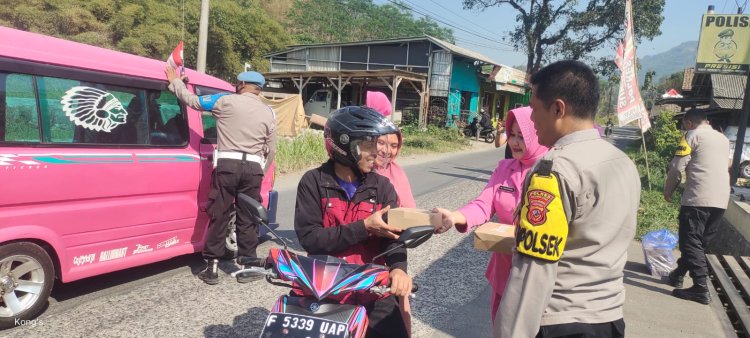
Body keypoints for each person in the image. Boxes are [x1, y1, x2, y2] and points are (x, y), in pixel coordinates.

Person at [495, 60, 640, 338]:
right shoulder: (623, 163)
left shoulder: (554, 170)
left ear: (558, 109)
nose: (532, 120)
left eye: (535, 109)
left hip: (562, 320)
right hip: (609, 317)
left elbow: (534, 267)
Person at [294, 106, 412, 338]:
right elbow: (310, 239)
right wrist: (364, 227)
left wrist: (398, 270)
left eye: (377, 145)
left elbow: (395, 239)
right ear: (344, 145)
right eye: (368, 145)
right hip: (325, 289)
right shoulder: (313, 182)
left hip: (372, 289)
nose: (377, 153)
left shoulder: (382, 187)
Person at [432, 106, 548, 323]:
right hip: (504, 268)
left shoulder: (554, 172)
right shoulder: (505, 168)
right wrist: (456, 216)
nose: (514, 142)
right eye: (512, 135)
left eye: (522, 137)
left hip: (537, 272)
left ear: (537, 135)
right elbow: (483, 204)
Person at [165, 65, 276, 285]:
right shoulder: (269, 112)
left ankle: (212, 268)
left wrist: (176, 82)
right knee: (248, 216)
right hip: (253, 168)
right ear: (259, 89)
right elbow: (271, 149)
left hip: (227, 166)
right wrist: (261, 171)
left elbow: (193, 102)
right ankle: (248, 265)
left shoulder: (225, 101)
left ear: (242, 85)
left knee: (220, 213)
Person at [663, 108, 730, 305]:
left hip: (698, 198)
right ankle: (678, 275)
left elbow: (676, 167)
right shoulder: (723, 138)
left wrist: (669, 190)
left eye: (685, 124)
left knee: (690, 242)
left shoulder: (691, 135)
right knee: (698, 243)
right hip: (721, 200)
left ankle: (700, 288)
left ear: (690, 123)